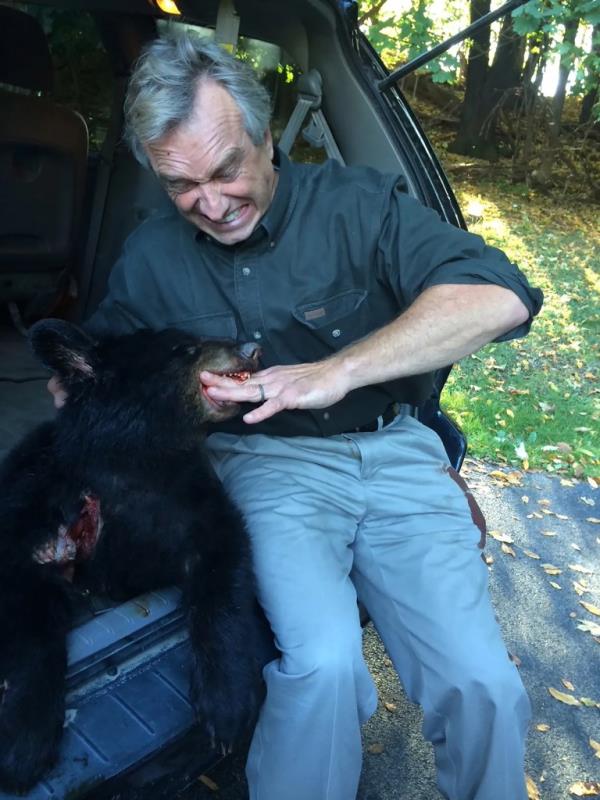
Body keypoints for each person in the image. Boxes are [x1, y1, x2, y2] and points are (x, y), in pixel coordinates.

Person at [49, 32, 542, 800]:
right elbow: (106, 366)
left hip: (395, 453)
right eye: (182, 185)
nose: (210, 205)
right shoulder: (150, 258)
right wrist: (79, 393)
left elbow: (499, 297)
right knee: (323, 664)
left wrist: (336, 371)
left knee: (482, 685)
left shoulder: (358, 203)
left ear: (266, 138)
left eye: (226, 171)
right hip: (266, 464)